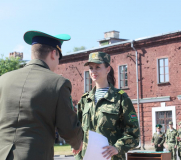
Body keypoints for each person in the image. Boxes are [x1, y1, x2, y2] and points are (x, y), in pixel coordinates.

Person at [0, 30, 83, 160]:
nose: (58, 63)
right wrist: (77, 142)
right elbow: (67, 126)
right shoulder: (58, 83)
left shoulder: (3, 79)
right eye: (59, 58)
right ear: (53, 53)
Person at [74, 52, 140, 160]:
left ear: (107, 69)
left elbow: (133, 133)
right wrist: (76, 147)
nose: (93, 71)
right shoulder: (85, 100)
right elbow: (78, 131)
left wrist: (117, 147)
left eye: (98, 67)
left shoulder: (121, 98)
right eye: (91, 68)